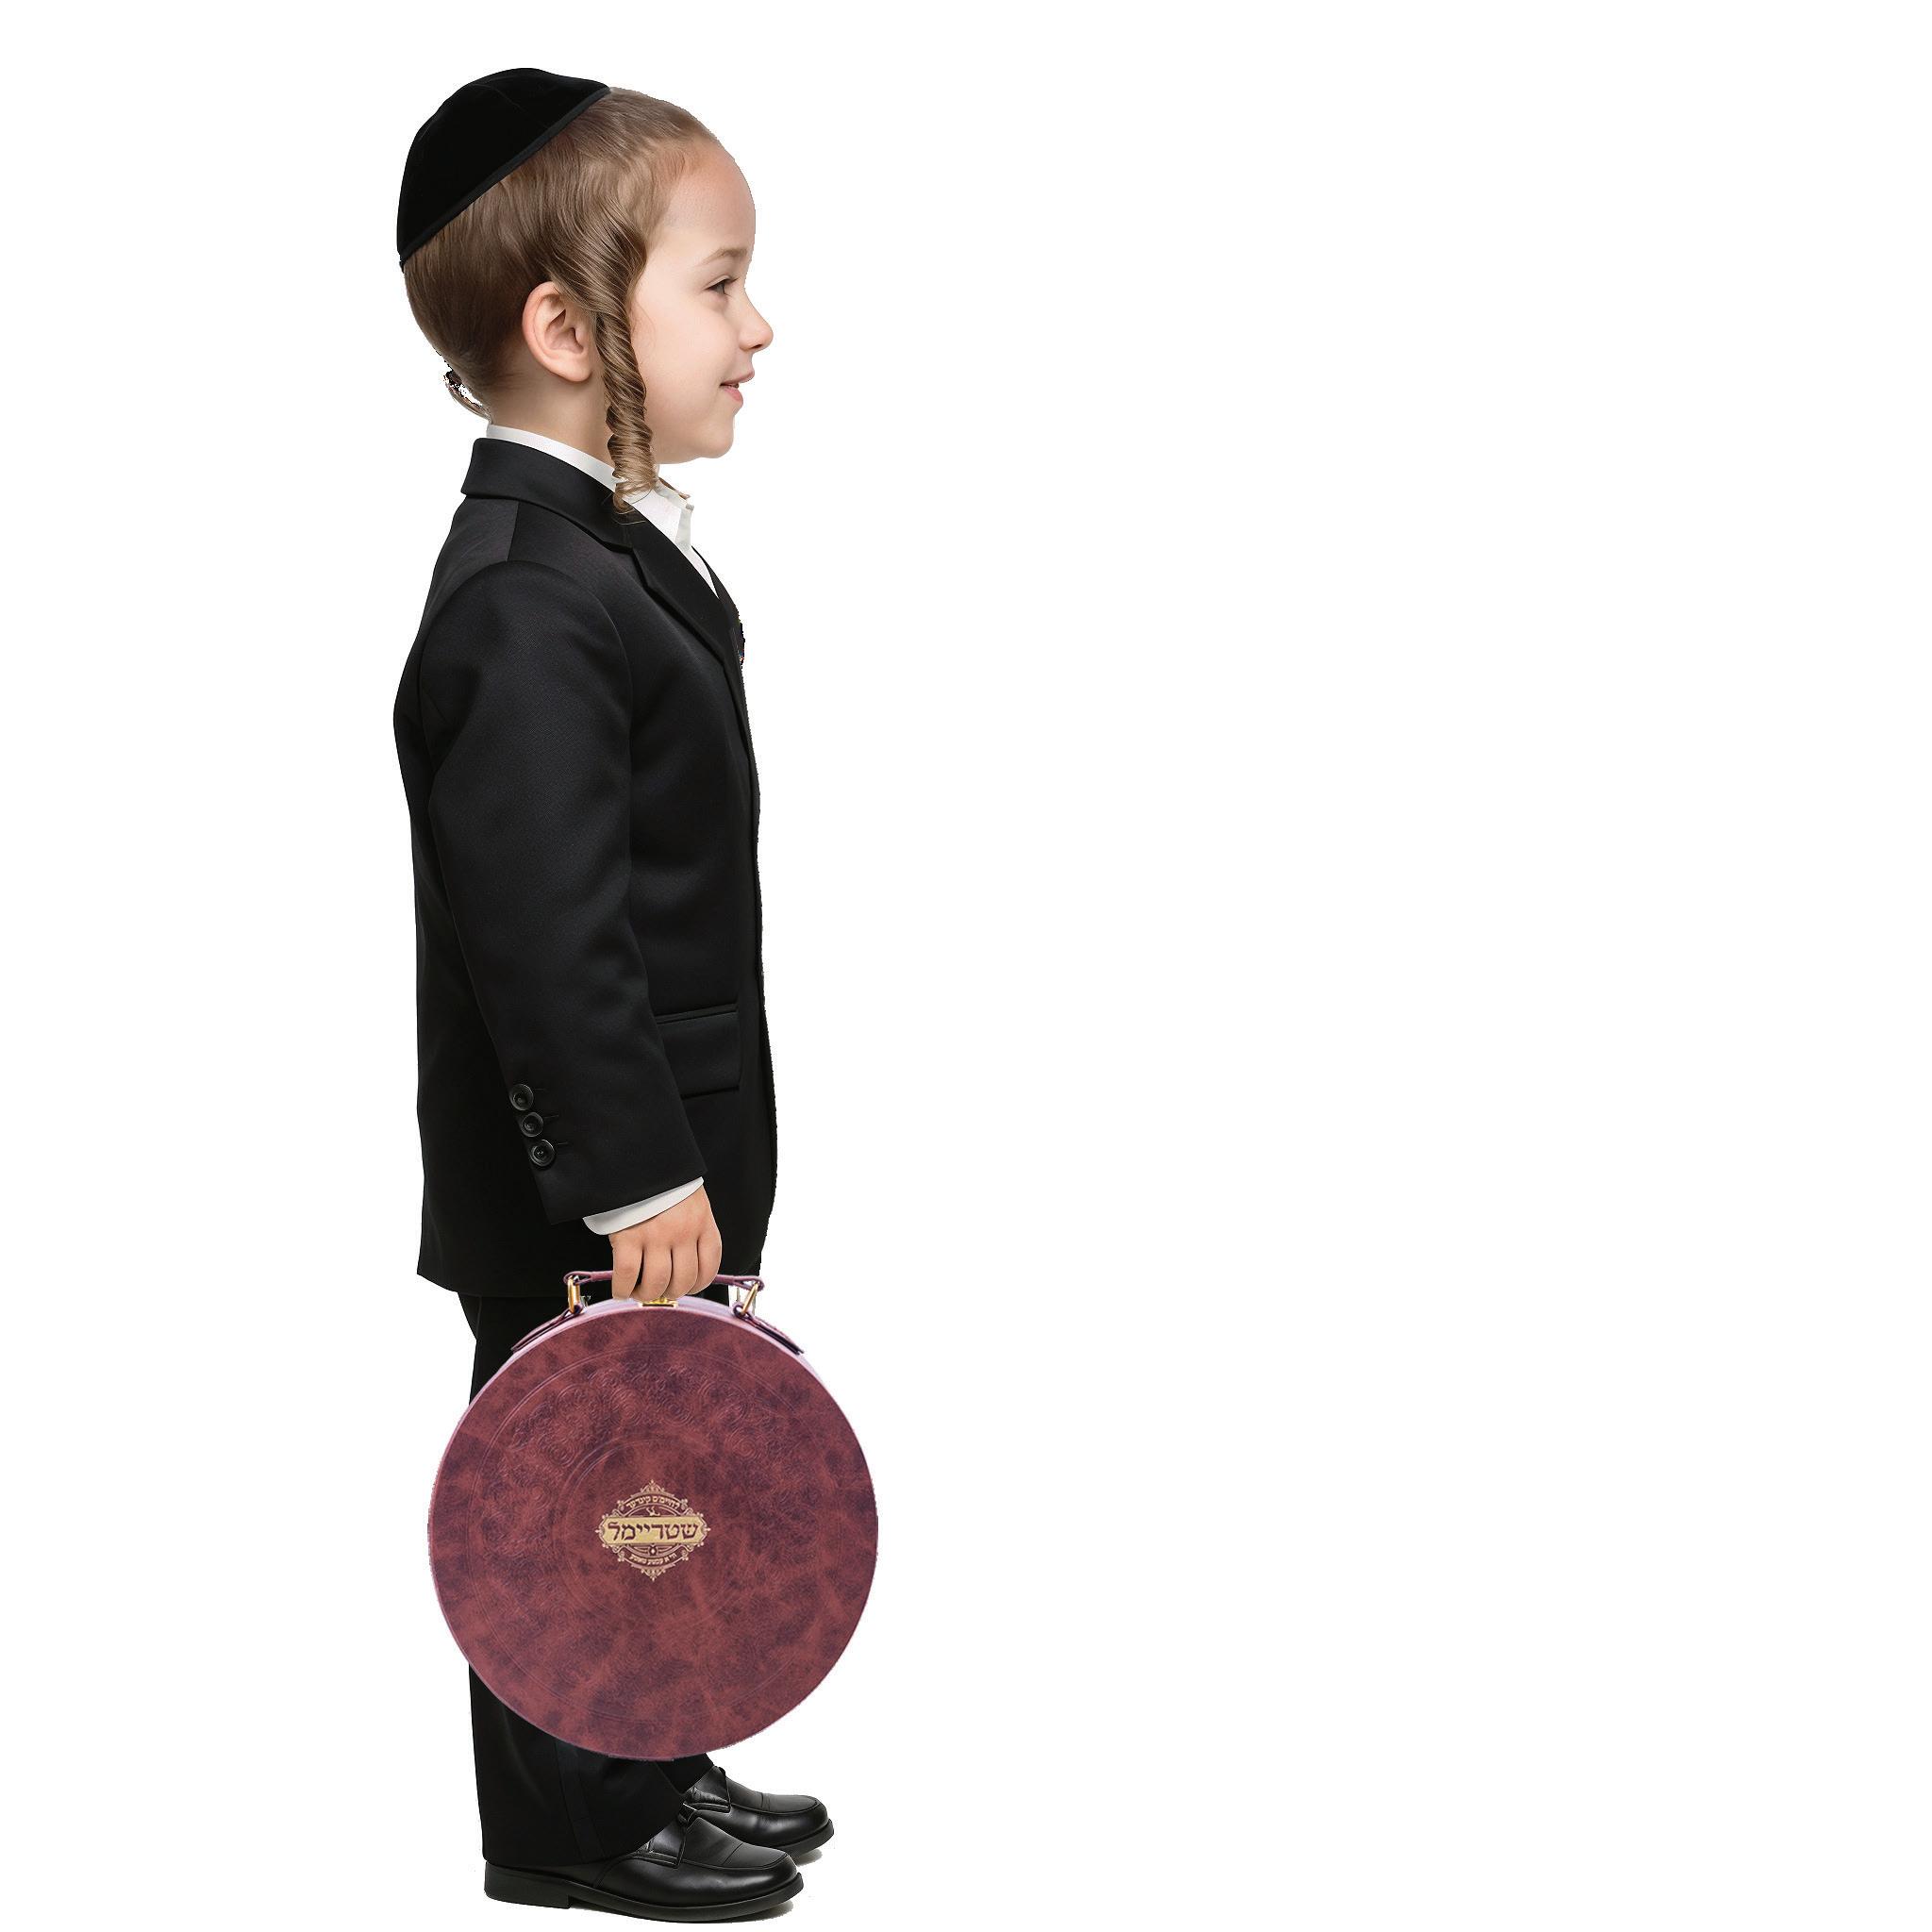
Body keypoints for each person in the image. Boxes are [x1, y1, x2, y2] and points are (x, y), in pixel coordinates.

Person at [391, 69, 832, 1920]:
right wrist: (635, 1169)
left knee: (659, 1477)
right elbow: (541, 927)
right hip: (597, 1181)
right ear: (570, 333)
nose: (760, 326)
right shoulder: (523, 592)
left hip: (661, 1160)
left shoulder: (603, 550)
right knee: (568, 1490)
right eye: (718, 285)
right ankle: (568, 1823)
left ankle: (648, 1760)